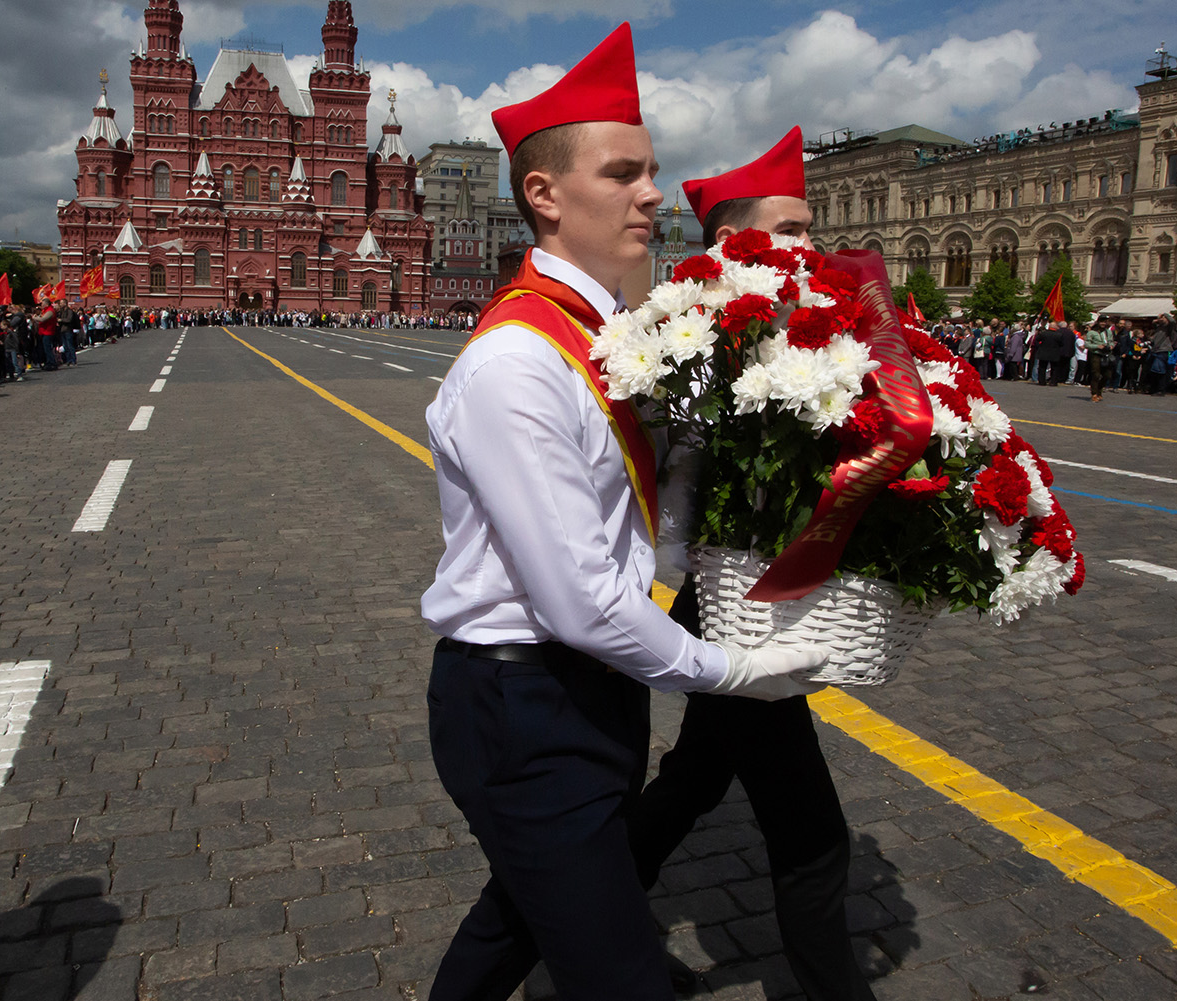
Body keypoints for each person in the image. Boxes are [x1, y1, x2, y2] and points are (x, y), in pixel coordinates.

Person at [421, 25, 827, 1001]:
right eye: (625, 172)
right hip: (524, 700)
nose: (653, 192)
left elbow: (645, 535)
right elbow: (585, 601)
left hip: (588, 692)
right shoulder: (519, 361)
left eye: (652, 171)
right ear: (545, 195)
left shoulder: (602, 334)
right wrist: (741, 669)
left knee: (510, 924)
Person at [625, 130, 877, 1001]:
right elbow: (682, 473)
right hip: (736, 602)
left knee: (695, 780)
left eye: (811, 227)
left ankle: (586, 917)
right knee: (811, 834)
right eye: (792, 228)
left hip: (752, 596)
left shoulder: (794, 328)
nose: (811, 244)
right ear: (735, 244)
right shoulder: (697, 338)